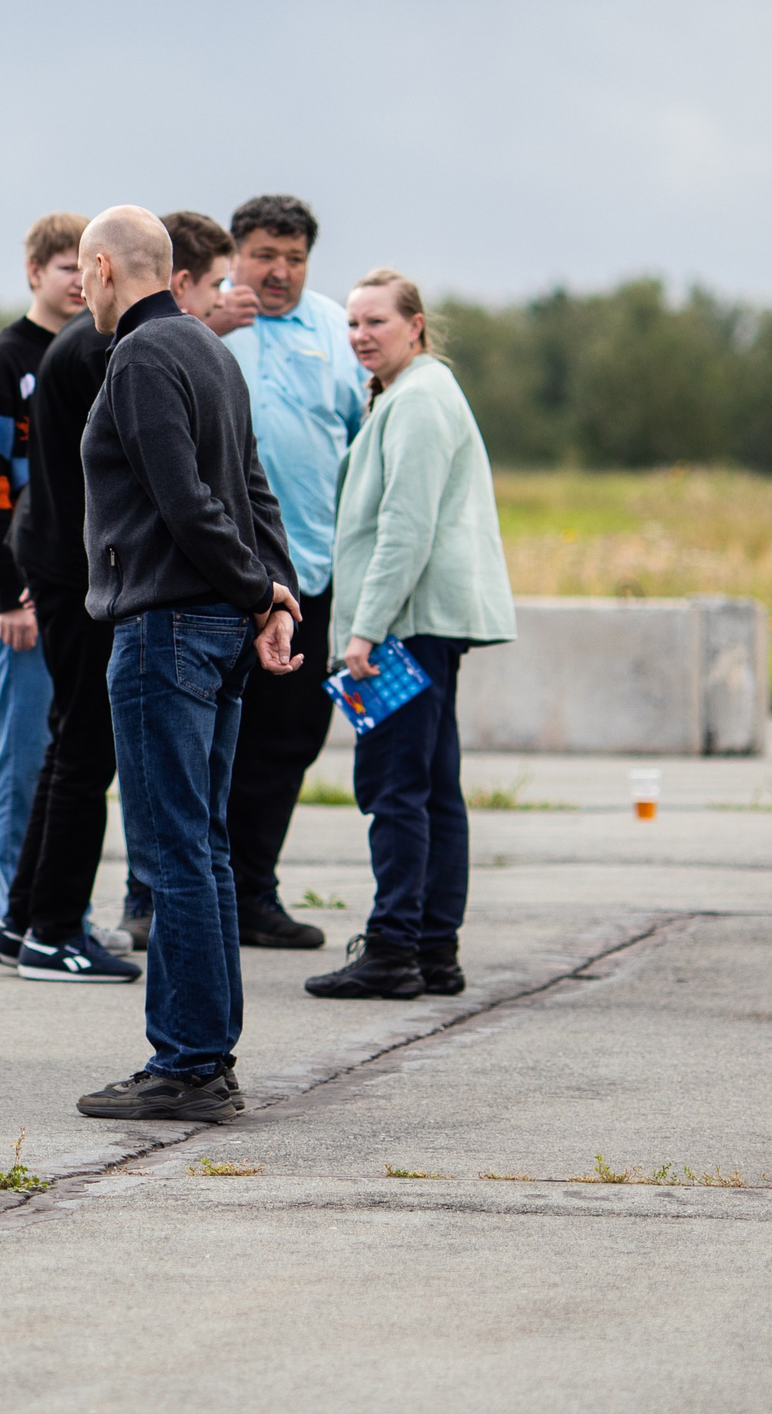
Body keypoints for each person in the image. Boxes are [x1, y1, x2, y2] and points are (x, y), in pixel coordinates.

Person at [70, 206, 301, 1125]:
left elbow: (187, 501)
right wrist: (275, 592)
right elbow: (252, 493)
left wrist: (257, 595)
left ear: (100, 268)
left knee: (173, 848)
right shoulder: (210, 351)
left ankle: (191, 1062)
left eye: (88, 276)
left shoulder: (139, 357)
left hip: (167, 629)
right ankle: (205, 1053)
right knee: (201, 846)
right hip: (218, 626)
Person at [0, 210, 238, 980]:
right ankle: (53, 927)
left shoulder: (113, 346)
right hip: (93, 580)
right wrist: (260, 585)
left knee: (73, 746)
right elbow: (181, 490)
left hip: (80, 570)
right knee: (86, 753)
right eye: (219, 282)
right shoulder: (118, 350)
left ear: (101, 269)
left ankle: (28, 918)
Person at [308, 271, 516, 1000]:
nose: (362, 335)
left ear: (416, 326)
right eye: (354, 324)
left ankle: (394, 947)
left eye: (377, 322)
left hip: (404, 625)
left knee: (396, 785)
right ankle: (432, 949)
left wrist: (365, 630)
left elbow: (406, 525)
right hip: (418, 623)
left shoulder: (421, 400)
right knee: (429, 785)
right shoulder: (408, 395)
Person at [209, 194, 365, 951]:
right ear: (237, 253)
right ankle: (184, 893)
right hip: (214, 575)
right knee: (206, 739)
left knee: (292, 736)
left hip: (308, 570)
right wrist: (208, 327)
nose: (279, 272)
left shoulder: (337, 331)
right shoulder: (201, 326)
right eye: (265, 255)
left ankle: (253, 892)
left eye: (294, 258)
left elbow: (365, 439)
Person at [0, 211, 85, 925]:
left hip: (84, 597)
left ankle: (56, 903)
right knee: (25, 759)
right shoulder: (1, 365)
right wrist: (10, 595)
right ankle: (14, 909)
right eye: (63, 266)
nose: (76, 281)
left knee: (74, 763)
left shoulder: (99, 351)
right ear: (36, 273)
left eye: (85, 267)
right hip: (23, 601)